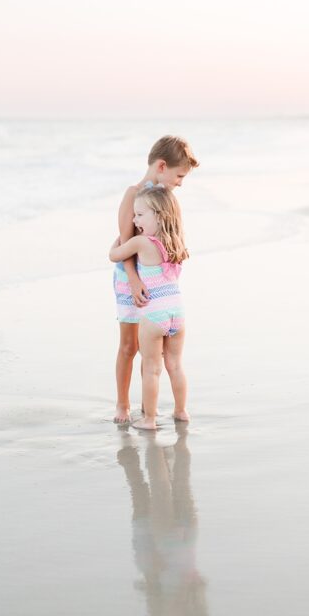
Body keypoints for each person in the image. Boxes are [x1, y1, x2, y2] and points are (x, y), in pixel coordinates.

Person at [113, 136, 198, 423]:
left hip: (157, 283)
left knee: (155, 349)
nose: (180, 183)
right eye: (179, 175)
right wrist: (134, 280)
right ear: (162, 166)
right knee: (130, 345)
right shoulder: (133, 194)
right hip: (130, 278)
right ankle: (122, 405)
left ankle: (148, 408)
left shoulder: (167, 200)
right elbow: (126, 242)